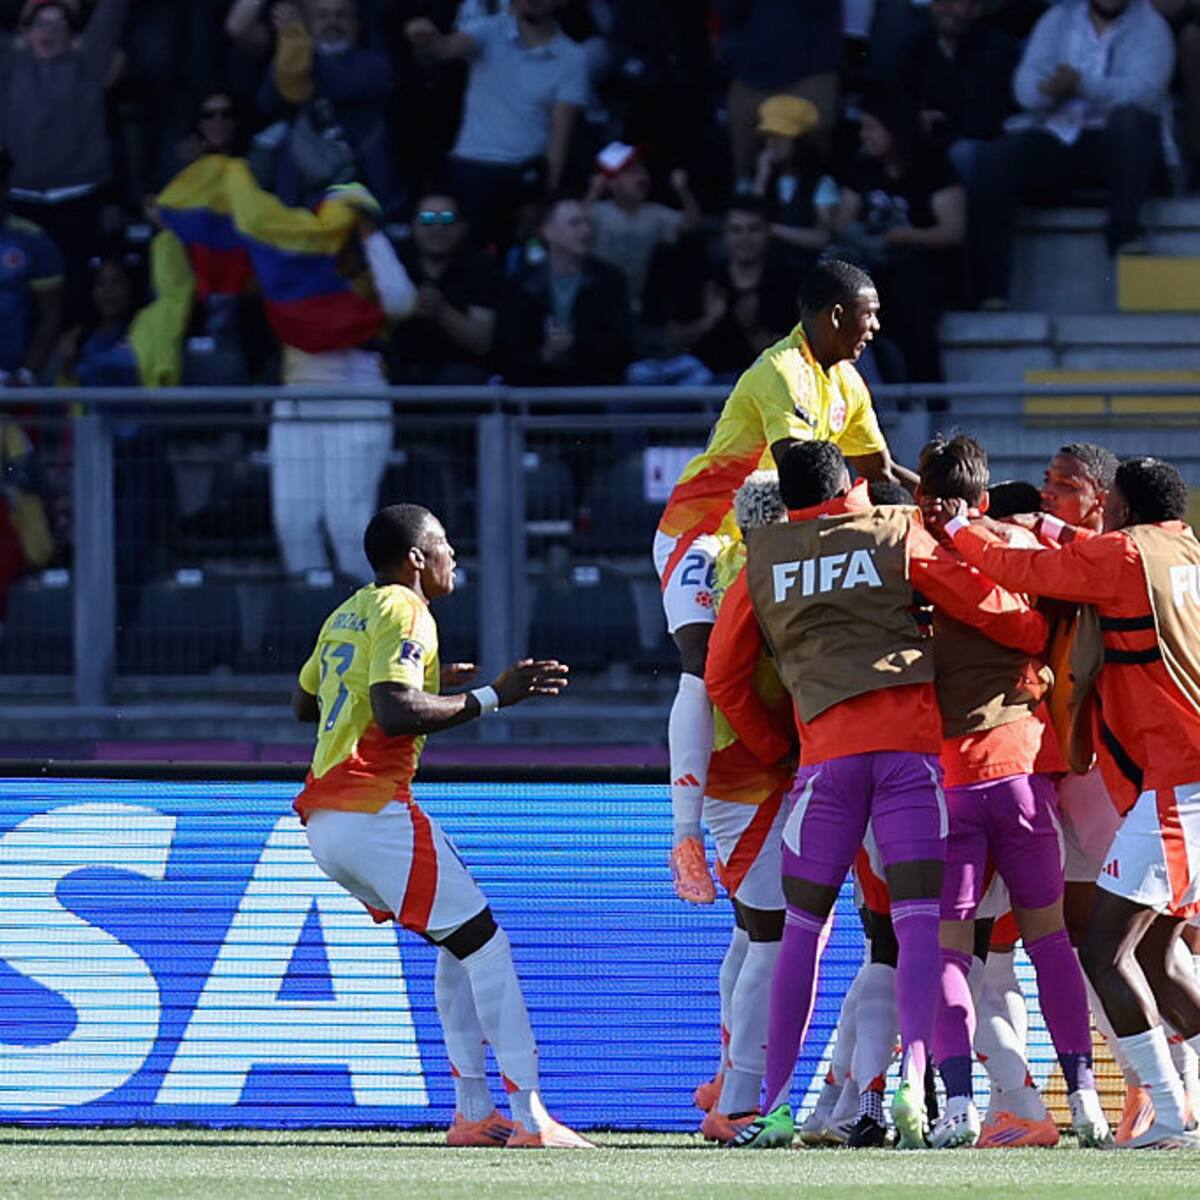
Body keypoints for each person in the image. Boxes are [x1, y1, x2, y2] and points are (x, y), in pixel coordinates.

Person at [723, 439, 1045, 1150]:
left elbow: (722, 675)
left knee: (801, 935)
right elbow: (986, 607)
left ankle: (775, 1107)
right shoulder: (899, 532)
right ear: (847, 484)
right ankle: (912, 1081)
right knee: (916, 928)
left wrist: (780, 747)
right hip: (909, 764)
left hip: (824, 769)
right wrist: (1035, 632)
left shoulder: (764, 557)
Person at [290, 503, 595, 1149]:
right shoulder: (407, 608)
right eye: (445, 544)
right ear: (417, 559)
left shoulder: (349, 609)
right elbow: (396, 713)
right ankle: (531, 1117)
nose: (456, 555)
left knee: (460, 945)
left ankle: (474, 1113)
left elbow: (304, 702)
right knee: (488, 946)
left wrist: (428, 680)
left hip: (327, 820)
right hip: (370, 808)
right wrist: (493, 696)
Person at [936, 455, 1200, 1149]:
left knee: (1107, 950)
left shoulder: (1122, 554)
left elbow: (1023, 574)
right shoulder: (1180, 547)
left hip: (1178, 784)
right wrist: (1049, 524)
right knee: (1159, 950)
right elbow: (1081, 553)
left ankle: (1169, 1116)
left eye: (1104, 500)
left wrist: (960, 527)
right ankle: (1174, 1109)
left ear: (1120, 507)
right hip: (1174, 781)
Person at [653, 259, 911, 913]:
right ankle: (684, 836)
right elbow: (802, 469)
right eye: (868, 312)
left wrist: (941, 512)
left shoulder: (847, 381)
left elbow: (875, 470)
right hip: (706, 528)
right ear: (833, 315)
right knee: (701, 663)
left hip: (772, 536)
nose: (876, 326)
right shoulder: (781, 372)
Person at [916, 434, 1106, 1149]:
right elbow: (1037, 620)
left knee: (950, 953)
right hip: (1028, 771)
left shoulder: (911, 551)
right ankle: (1084, 1097)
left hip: (951, 779)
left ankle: (958, 1105)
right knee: (1050, 943)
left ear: (921, 497)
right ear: (986, 497)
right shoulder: (1021, 540)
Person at [692, 470, 796, 1144]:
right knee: (773, 934)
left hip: (725, 766)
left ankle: (726, 1073)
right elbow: (725, 679)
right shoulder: (761, 570)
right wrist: (777, 750)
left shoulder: (730, 555)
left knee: (749, 929)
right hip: (751, 772)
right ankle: (735, 1102)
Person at [968, 0, 1175, 308]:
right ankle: (991, 292)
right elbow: (1025, 88)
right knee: (998, 157)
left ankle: (1124, 235)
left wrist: (1082, 84)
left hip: (1121, 146)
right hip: (1062, 132)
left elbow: (1145, 92)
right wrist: (1049, 90)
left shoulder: (1151, 25)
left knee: (1131, 123)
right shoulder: (1058, 19)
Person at [269, 185, 417, 581]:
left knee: (347, 522)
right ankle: (311, 617)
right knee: (293, 520)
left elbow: (402, 302)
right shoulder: (294, 267)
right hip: (298, 401)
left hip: (359, 400)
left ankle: (364, 622)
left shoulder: (372, 267)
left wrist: (370, 234)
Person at [405, 0, 588, 251]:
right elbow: (447, 48)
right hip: (470, 169)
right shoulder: (488, 30)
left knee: (521, 260)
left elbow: (560, 135)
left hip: (524, 176)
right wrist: (429, 38)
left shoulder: (573, 57)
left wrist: (545, 197)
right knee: (462, 255)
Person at [829, 86, 965, 384]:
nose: (864, 135)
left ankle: (926, 391)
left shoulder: (933, 166)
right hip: (872, 262)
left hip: (924, 268)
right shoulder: (864, 167)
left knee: (908, 290)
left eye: (871, 127)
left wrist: (904, 236)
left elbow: (952, 231)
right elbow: (842, 221)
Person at [0, 0, 126, 313]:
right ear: (25, 32)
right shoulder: (8, 63)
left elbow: (111, 11)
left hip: (78, 198)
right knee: (19, 293)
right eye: (41, 23)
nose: (49, 32)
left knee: (75, 292)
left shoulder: (89, 62)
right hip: (19, 200)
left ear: (73, 35)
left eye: (59, 25)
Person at [259, 0, 399, 215]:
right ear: (310, 23)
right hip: (299, 198)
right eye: (322, 16)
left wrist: (298, 46)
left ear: (357, 24)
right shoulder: (292, 57)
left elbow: (344, 85)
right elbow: (269, 101)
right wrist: (292, 50)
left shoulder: (375, 64)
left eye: (341, 15)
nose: (332, 23)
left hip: (362, 195)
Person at [643, 196, 802, 384]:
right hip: (696, 374)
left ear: (768, 233)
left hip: (758, 381)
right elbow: (672, 343)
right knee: (639, 375)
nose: (744, 238)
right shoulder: (704, 277)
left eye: (753, 229)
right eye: (736, 230)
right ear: (725, 235)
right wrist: (707, 322)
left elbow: (795, 356)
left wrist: (753, 330)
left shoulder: (787, 282)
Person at [501, 195, 633, 386]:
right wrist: (546, 353)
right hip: (536, 391)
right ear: (547, 231)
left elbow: (621, 345)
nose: (586, 231)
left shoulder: (610, 280)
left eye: (588, 223)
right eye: (575, 223)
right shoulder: (521, 284)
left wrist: (575, 345)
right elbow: (509, 351)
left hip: (594, 390)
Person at [896, 0, 1021, 188]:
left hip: (982, 144)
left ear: (977, 8)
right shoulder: (914, 48)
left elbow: (987, 120)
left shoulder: (998, 49)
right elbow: (896, 99)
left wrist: (941, 122)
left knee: (963, 153)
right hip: (923, 140)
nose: (946, 6)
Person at [716, 0, 841, 186]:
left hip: (808, 76)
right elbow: (730, 10)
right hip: (749, 80)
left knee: (809, 181)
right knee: (744, 181)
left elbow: (817, 7)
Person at [387, 191, 503, 385]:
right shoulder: (393, 262)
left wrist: (440, 309)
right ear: (413, 225)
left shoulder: (480, 268)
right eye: (427, 219)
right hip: (400, 371)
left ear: (462, 226)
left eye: (447, 219)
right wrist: (406, 308)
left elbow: (482, 342)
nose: (438, 228)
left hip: (460, 376)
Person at [585, 141, 701, 315]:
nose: (641, 176)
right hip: (597, 302)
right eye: (631, 171)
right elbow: (575, 224)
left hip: (636, 305)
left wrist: (683, 190)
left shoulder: (655, 213)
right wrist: (593, 192)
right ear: (611, 182)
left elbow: (692, 224)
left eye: (642, 169)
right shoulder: (599, 212)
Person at [750, 96, 838, 271]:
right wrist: (761, 179)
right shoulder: (757, 178)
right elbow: (748, 220)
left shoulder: (821, 183)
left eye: (780, 137)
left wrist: (773, 230)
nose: (772, 143)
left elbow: (823, 236)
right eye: (768, 137)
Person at [0, 144, 62, 387]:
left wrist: (27, 373)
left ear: (5, 187)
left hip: (7, 376)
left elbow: (51, 313)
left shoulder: (33, 240)